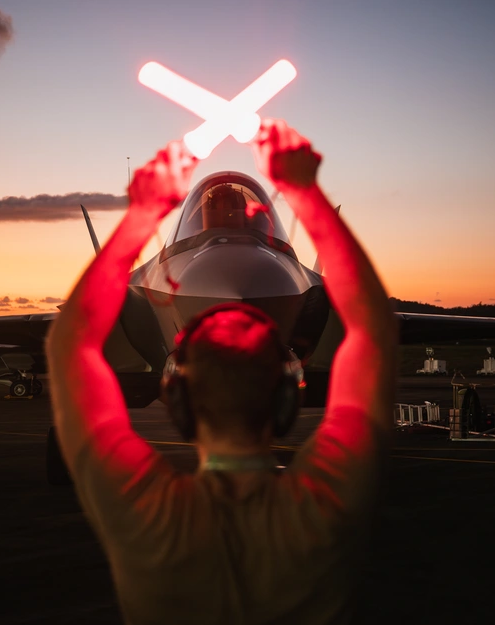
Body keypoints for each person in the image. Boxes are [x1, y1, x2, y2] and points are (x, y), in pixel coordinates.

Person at [46, 120, 396, 624]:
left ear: (180, 400)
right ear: (285, 399)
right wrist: (307, 192)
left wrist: (142, 213)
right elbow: (375, 332)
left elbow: (69, 345)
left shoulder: (143, 515)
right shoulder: (324, 511)